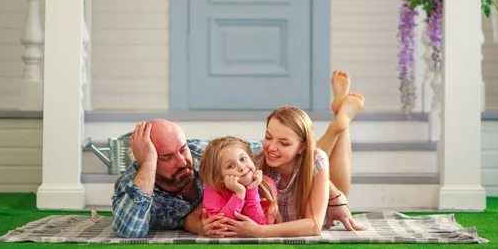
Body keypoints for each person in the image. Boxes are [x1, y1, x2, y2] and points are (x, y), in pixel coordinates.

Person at [111, 70, 366, 238]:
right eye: (166, 157)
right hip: (280, 205)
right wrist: (200, 226)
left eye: (183, 150)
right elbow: (130, 231)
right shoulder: (138, 182)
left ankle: (339, 125)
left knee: (328, 173)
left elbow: (297, 157)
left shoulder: (217, 155)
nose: (182, 161)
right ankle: (340, 121)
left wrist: (335, 196)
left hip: (299, 197)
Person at [199, 136, 280, 225]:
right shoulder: (215, 190)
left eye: (243, 159)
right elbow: (219, 226)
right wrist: (239, 195)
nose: (241, 167)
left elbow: (261, 225)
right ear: (220, 178)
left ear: (252, 158)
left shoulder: (267, 184)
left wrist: (252, 190)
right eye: (230, 166)